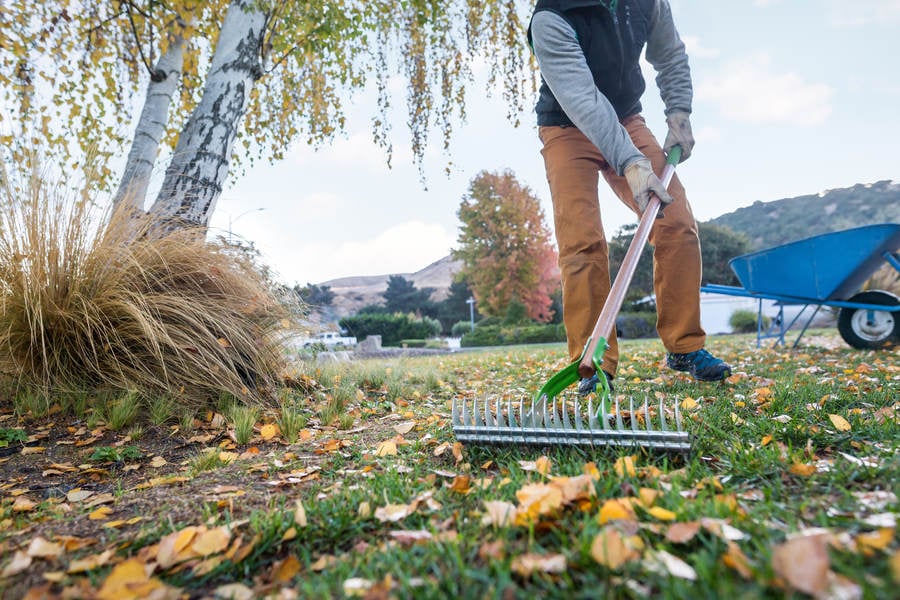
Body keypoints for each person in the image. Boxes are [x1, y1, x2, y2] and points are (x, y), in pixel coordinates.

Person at [527, 0, 731, 393]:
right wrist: (631, 163)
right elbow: (584, 100)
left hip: (626, 117)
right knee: (581, 242)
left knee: (676, 222)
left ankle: (685, 346)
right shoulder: (551, 17)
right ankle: (593, 362)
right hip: (567, 126)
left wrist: (679, 112)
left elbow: (670, 54)